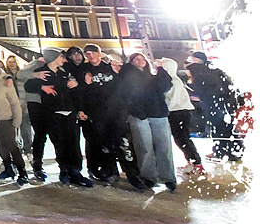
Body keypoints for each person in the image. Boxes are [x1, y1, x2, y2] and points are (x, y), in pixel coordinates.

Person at [24, 49, 92, 187]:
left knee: (73, 143)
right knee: (60, 144)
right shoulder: (42, 71)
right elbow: (28, 85)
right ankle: (64, 170)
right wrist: (41, 86)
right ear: (53, 58)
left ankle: (75, 171)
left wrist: (78, 99)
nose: (65, 59)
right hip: (53, 113)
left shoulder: (65, 71)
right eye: (62, 57)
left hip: (70, 111)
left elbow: (75, 93)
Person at [79, 44, 142, 188]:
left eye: (93, 53)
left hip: (116, 112)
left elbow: (125, 85)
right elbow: (81, 93)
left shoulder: (111, 67)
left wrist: (119, 71)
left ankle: (132, 174)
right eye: (87, 54)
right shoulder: (84, 71)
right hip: (97, 114)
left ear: (99, 54)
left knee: (124, 143)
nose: (91, 56)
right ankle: (111, 171)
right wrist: (82, 106)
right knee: (105, 145)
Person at [120, 53, 176, 191]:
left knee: (164, 147)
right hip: (139, 115)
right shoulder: (128, 75)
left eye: (142, 58)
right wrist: (135, 111)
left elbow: (165, 85)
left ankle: (168, 177)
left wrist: (161, 69)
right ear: (131, 62)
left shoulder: (152, 77)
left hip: (158, 114)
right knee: (144, 148)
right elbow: (126, 94)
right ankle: (148, 176)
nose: (141, 61)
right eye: (136, 59)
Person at [186, 51, 242, 161]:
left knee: (217, 129)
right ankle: (234, 150)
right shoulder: (215, 71)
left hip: (213, 106)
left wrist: (200, 97)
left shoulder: (201, 74)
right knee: (226, 128)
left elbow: (206, 90)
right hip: (224, 105)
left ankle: (221, 152)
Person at [0, 60, 28, 184]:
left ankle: (22, 171)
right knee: (1, 146)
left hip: (7, 119)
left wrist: (16, 121)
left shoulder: (5, 82)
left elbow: (14, 102)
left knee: (12, 146)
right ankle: (8, 168)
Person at [160, 57, 203, 173]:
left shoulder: (172, 81)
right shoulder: (175, 80)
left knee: (182, 139)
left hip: (178, 112)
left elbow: (171, 99)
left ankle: (196, 163)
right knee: (181, 139)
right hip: (180, 111)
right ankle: (192, 162)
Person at [17, 54, 49, 180]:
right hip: (36, 104)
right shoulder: (37, 65)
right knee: (40, 135)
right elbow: (21, 75)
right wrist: (35, 68)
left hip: (52, 104)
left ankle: (66, 167)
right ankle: (37, 164)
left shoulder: (59, 67)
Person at [6, 55, 33, 154]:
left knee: (26, 128)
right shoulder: (5, 76)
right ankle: (16, 148)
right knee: (13, 130)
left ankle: (28, 148)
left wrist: (26, 104)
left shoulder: (23, 75)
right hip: (11, 107)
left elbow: (27, 91)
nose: (12, 64)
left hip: (23, 105)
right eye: (10, 62)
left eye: (14, 62)